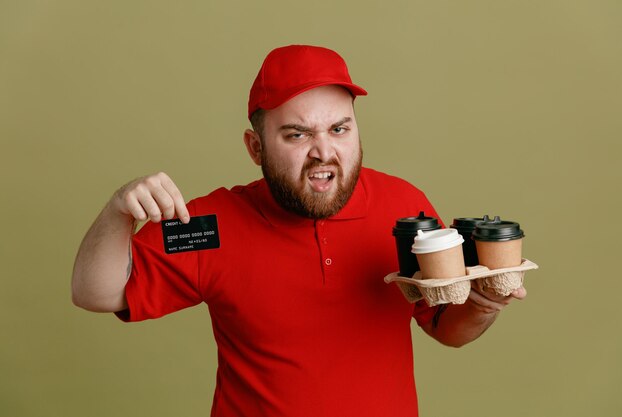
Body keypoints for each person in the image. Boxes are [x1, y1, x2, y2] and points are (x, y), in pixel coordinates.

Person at [72, 45, 526, 417]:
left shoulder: (405, 209)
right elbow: (96, 292)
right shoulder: (211, 226)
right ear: (255, 147)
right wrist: (118, 211)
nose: (323, 152)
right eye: (296, 135)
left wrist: (485, 306)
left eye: (339, 128)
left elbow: (446, 327)